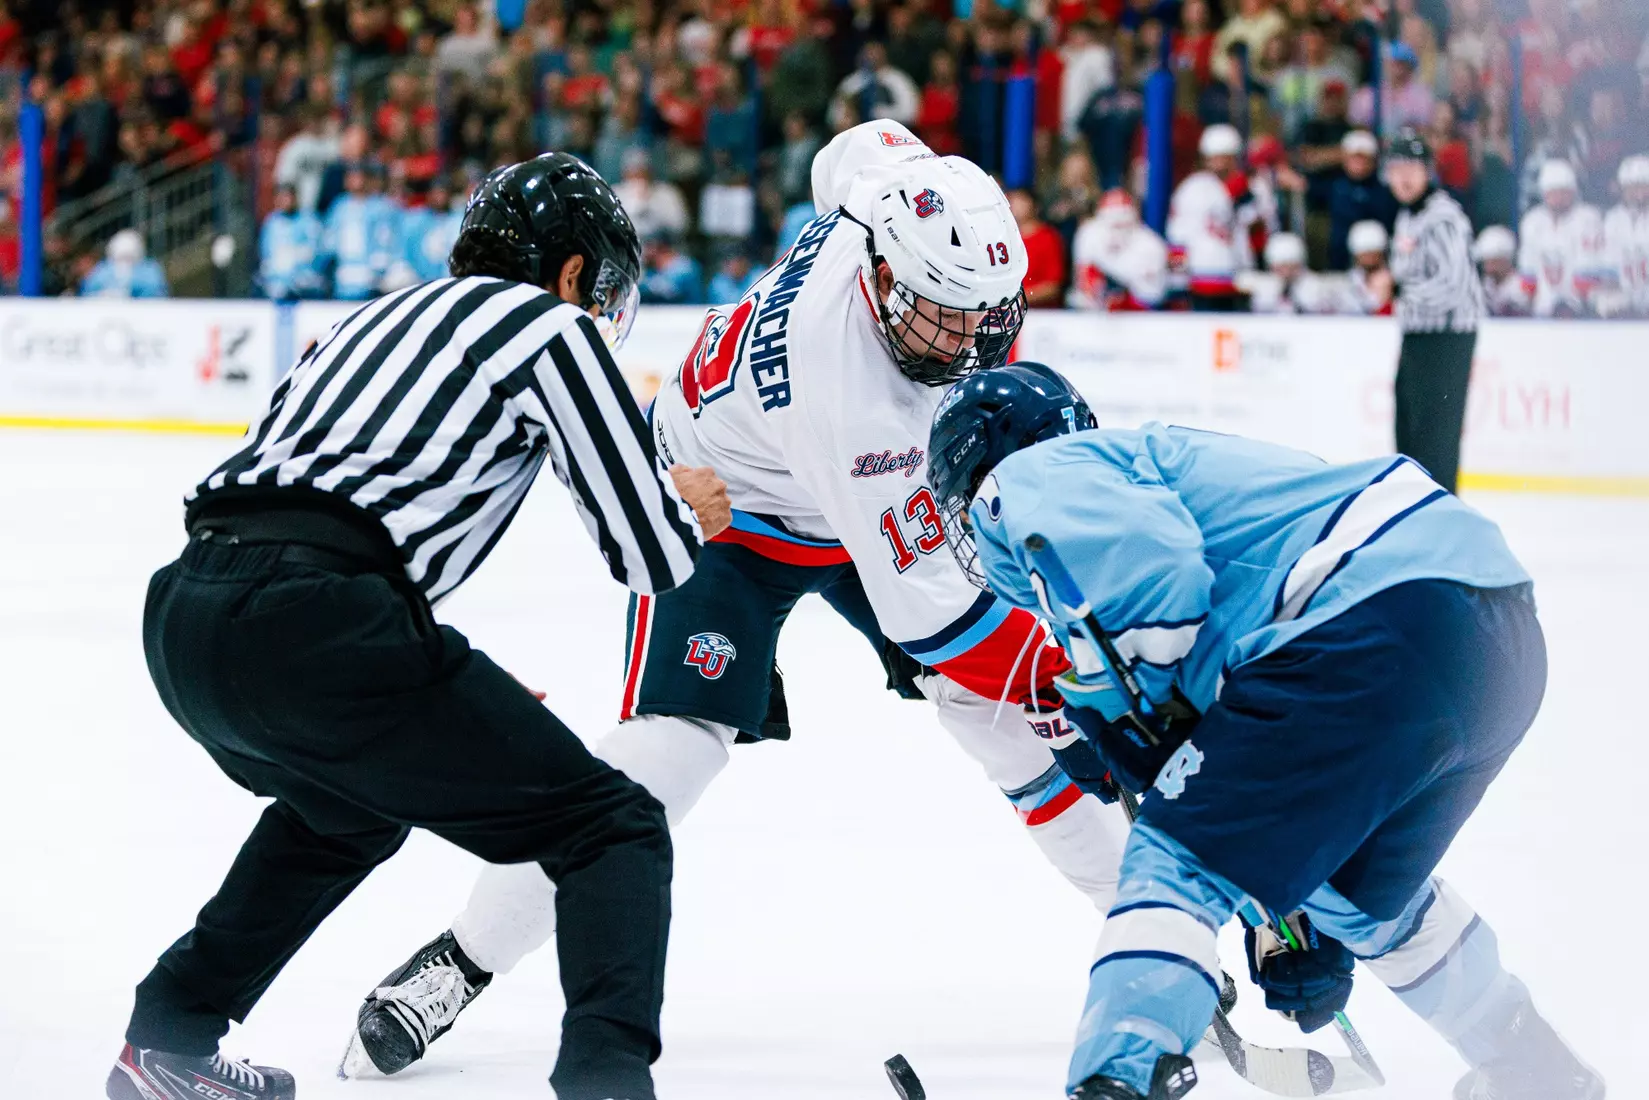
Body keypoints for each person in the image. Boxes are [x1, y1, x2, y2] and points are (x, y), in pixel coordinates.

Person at [343, 119, 1131, 1076]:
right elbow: (944, 623)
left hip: (827, 486)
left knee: (1000, 720)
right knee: (668, 759)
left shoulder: (887, 196)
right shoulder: (848, 400)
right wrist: (1084, 685)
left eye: (981, 312)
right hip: (725, 507)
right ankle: (457, 964)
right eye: (937, 313)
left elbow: (850, 148)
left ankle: (1145, 934)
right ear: (882, 274)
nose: (965, 340)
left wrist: (1060, 691)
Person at [106, 153, 730, 1100]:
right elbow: (649, 556)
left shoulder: (365, 320)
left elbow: (319, 503)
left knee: (344, 809)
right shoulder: (550, 326)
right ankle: (607, 1084)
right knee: (614, 828)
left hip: (189, 614)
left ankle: (169, 1037)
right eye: (597, 284)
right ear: (570, 272)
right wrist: (688, 507)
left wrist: (426, 690)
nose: (597, 306)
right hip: (320, 623)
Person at [927, 361, 1604, 1100]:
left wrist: (1145, 730)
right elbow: (1267, 738)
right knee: (1361, 903)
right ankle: (1536, 1073)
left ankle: (1111, 1081)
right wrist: (1288, 897)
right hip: (1491, 646)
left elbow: (1154, 574)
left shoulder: (1037, 473)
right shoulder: (1166, 468)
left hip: (1373, 627)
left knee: (1172, 862)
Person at [1388, 128, 1485, 495]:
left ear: (1428, 171)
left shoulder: (1444, 217)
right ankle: (1416, 517)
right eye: (1397, 168)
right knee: (1409, 435)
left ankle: (1439, 521)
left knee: (1435, 441)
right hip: (1416, 337)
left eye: (1412, 167)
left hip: (1446, 341)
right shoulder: (1406, 218)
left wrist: (1398, 290)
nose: (1404, 177)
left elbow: (1453, 285)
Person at [1167, 124, 1255, 311]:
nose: (1220, 163)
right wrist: (1177, 281)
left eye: (1226, 157)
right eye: (1215, 157)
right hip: (1203, 277)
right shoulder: (1193, 188)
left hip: (1241, 276)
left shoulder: (1249, 187)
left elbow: (1255, 228)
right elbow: (1178, 235)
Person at [1518, 159, 1608, 318]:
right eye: (1553, 192)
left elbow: (1589, 268)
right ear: (1544, 193)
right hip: (1542, 309)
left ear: (1573, 192)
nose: (1558, 198)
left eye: (1563, 192)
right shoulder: (1532, 222)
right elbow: (1528, 269)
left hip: (1578, 310)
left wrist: (1579, 305)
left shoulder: (1587, 218)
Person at [1069, 189, 1169, 310]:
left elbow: (1154, 295)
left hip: (1138, 313)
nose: (1117, 231)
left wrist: (1123, 294)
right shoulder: (1089, 234)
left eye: (1122, 224)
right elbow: (1083, 285)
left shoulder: (1151, 245)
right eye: (1112, 225)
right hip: (1096, 310)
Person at [1328, 130, 1397, 270]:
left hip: (1381, 264)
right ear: (1345, 159)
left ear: (1374, 160)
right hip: (1341, 264)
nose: (1359, 163)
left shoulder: (1386, 191)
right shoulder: (1333, 186)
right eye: (1354, 157)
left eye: (1364, 158)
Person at [256, 183, 323, 300]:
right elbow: (266, 253)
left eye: (287, 197)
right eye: (280, 197)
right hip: (276, 286)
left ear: (295, 198)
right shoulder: (271, 222)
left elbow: (317, 252)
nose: (284, 201)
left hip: (303, 287)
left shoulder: (308, 220)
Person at [1602, 154, 1649, 317]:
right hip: (1622, 299)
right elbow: (1608, 263)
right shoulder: (1612, 219)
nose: (1639, 194)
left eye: (1643, 186)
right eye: (1632, 187)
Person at [82, 228, 169, 298]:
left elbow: (157, 293)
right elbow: (88, 292)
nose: (125, 262)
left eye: (128, 257)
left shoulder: (150, 271)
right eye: (122, 257)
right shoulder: (102, 271)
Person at [1475, 225, 1531, 316]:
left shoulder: (1521, 286)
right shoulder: (1486, 285)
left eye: (1491, 261)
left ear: (1504, 260)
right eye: (1485, 262)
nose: (1487, 268)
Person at [1345, 219, 1394, 314]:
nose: (1369, 258)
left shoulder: (1392, 280)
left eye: (1373, 253)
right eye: (1364, 253)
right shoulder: (1350, 281)